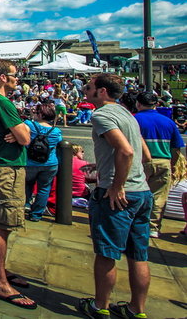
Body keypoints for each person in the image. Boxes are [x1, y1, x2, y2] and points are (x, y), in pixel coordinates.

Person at [78, 73, 153, 319]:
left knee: (107, 253)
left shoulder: (102, 114)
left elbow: (126, 151)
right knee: (138, 255)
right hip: (141, 192)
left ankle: (100, 307)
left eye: (89, 87)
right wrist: (104, 167)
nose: (85, 90)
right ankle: (137, 310)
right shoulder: (127, 114)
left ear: (102, 92)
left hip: (119, 196)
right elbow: (144, 154)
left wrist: (116, 184)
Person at [0, 59, 35, 309]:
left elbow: (22, 133)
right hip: (5, 168)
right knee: (3, 223)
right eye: (15, 74)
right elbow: (25, 137)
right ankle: (1, 283)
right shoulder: (0, 101)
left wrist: (21, 131)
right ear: (2, 77)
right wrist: (22, 131)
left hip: (0, 166)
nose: (18, 78)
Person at [133, 91, 184, 238]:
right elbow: (176, 148)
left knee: (136, 193)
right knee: (159, 197)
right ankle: (153, 227)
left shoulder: (134, 119)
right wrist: (172, 165)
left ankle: (136, 223)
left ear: (138, 104)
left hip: (140, 162)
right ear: (156, 104)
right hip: (163, 161)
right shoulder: (168, 122)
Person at [23, 101, 62, 222]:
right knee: (44, 188)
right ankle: (36, 214)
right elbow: (60, 141)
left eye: (36, 112)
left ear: (40, 114)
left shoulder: (29, 124)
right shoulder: (56, 132)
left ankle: (25, 205)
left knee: (26, 184)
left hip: (30, 162)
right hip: (49, 163)